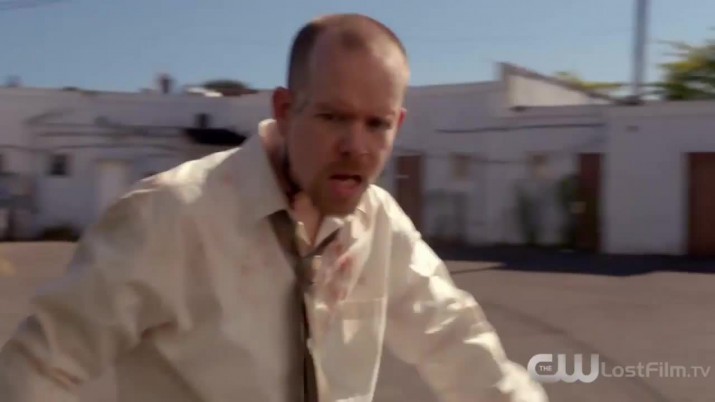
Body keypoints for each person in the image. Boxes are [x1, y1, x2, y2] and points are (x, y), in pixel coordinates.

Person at [0, 13, 548, 402]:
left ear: (398, 124)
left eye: (376, 124)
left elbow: (458, 345)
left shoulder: (379, 223)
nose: (356, 146)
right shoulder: (170, 215)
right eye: (333, 117)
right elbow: (37, 370)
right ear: (286, 109)